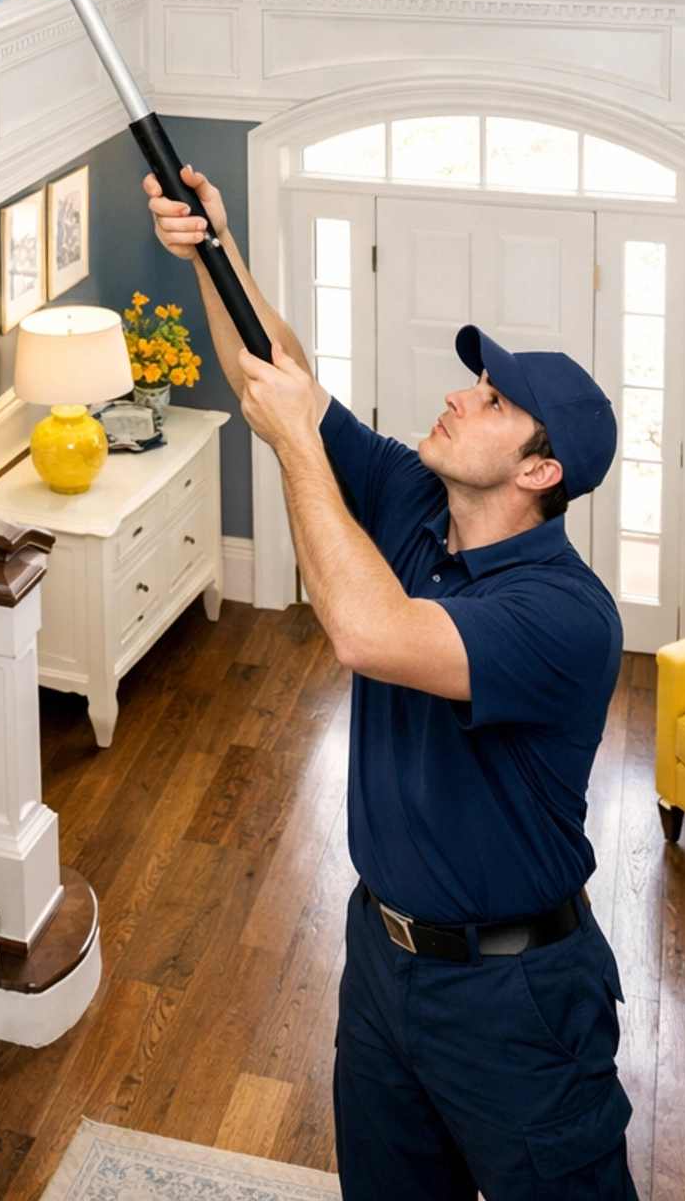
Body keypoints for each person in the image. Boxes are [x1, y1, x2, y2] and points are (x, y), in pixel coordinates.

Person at [145, 163, 635, 1201]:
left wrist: (294, 451)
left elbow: (369, 631)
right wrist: (212, 251)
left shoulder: (564, 616)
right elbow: (276, 372)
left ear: (540, 471)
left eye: (493, 400)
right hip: (382, 962)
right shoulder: (416, 500)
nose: (460, 394)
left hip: (518, 997)